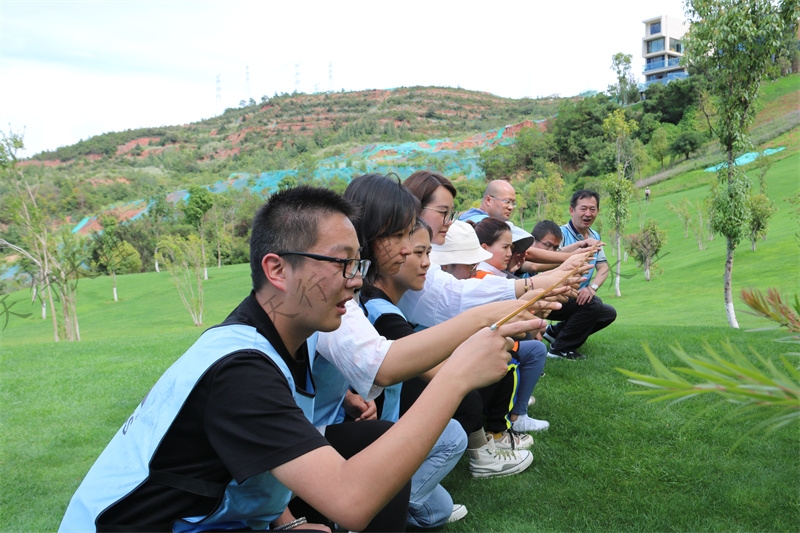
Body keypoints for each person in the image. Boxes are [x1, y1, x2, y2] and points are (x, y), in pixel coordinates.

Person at [58, 186, 539, 533]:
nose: (355, 280)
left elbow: (258, 452)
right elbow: (350, 500)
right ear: (277, 269)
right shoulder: (240, 370)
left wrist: (284, 523)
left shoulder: (286, 339)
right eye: (341, 263)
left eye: (359, 265)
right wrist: (455, 377)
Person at [472, 218, 550, 433]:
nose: (510, 253)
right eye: (505, 247)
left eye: (511, 248)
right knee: (534, 349)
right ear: (484, 248)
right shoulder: (486, 277)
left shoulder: (490, 273)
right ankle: (517, 415)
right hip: (488, 347)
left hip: (488, 343)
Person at [533, 201, 617, 360]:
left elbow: (604, 268)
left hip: (573, 296)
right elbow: (547, 258)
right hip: (552, 293)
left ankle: (555, 333)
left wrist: (592, 288)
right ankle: (560, 349)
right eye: (583, 208)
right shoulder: (559, 234)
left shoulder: (595, 236)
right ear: (572, 210)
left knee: (607, 313)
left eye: (593, 209)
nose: (588, 213)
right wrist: (579, 248)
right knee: (593, 304)